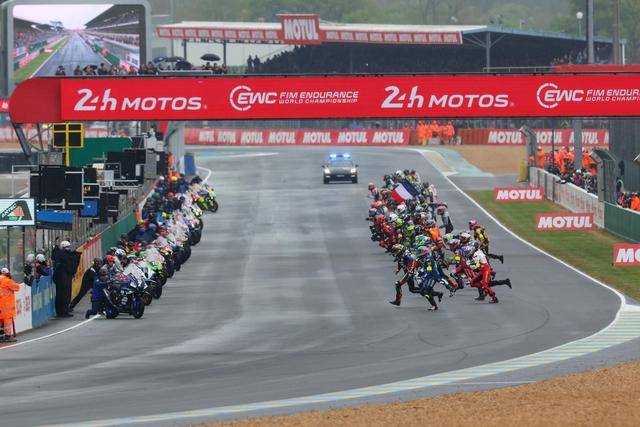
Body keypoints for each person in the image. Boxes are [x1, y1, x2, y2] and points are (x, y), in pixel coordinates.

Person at [51, 240, 80, 317]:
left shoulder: (67, 255)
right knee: (63, 294)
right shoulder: (62, 255)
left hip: (65, 277)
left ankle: (63, 310)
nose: (68, 248)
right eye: (66, 247)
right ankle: (62, 311)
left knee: (64, 294)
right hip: (62, 278)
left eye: (68, 247)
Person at [0, 268, 20, 341]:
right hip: (6, 305)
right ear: (7, 273)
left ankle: (1, 336)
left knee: (0, 320)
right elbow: (17, 287)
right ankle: (8, 336)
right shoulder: (7, 281)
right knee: (7, 321)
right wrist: (11, 279)